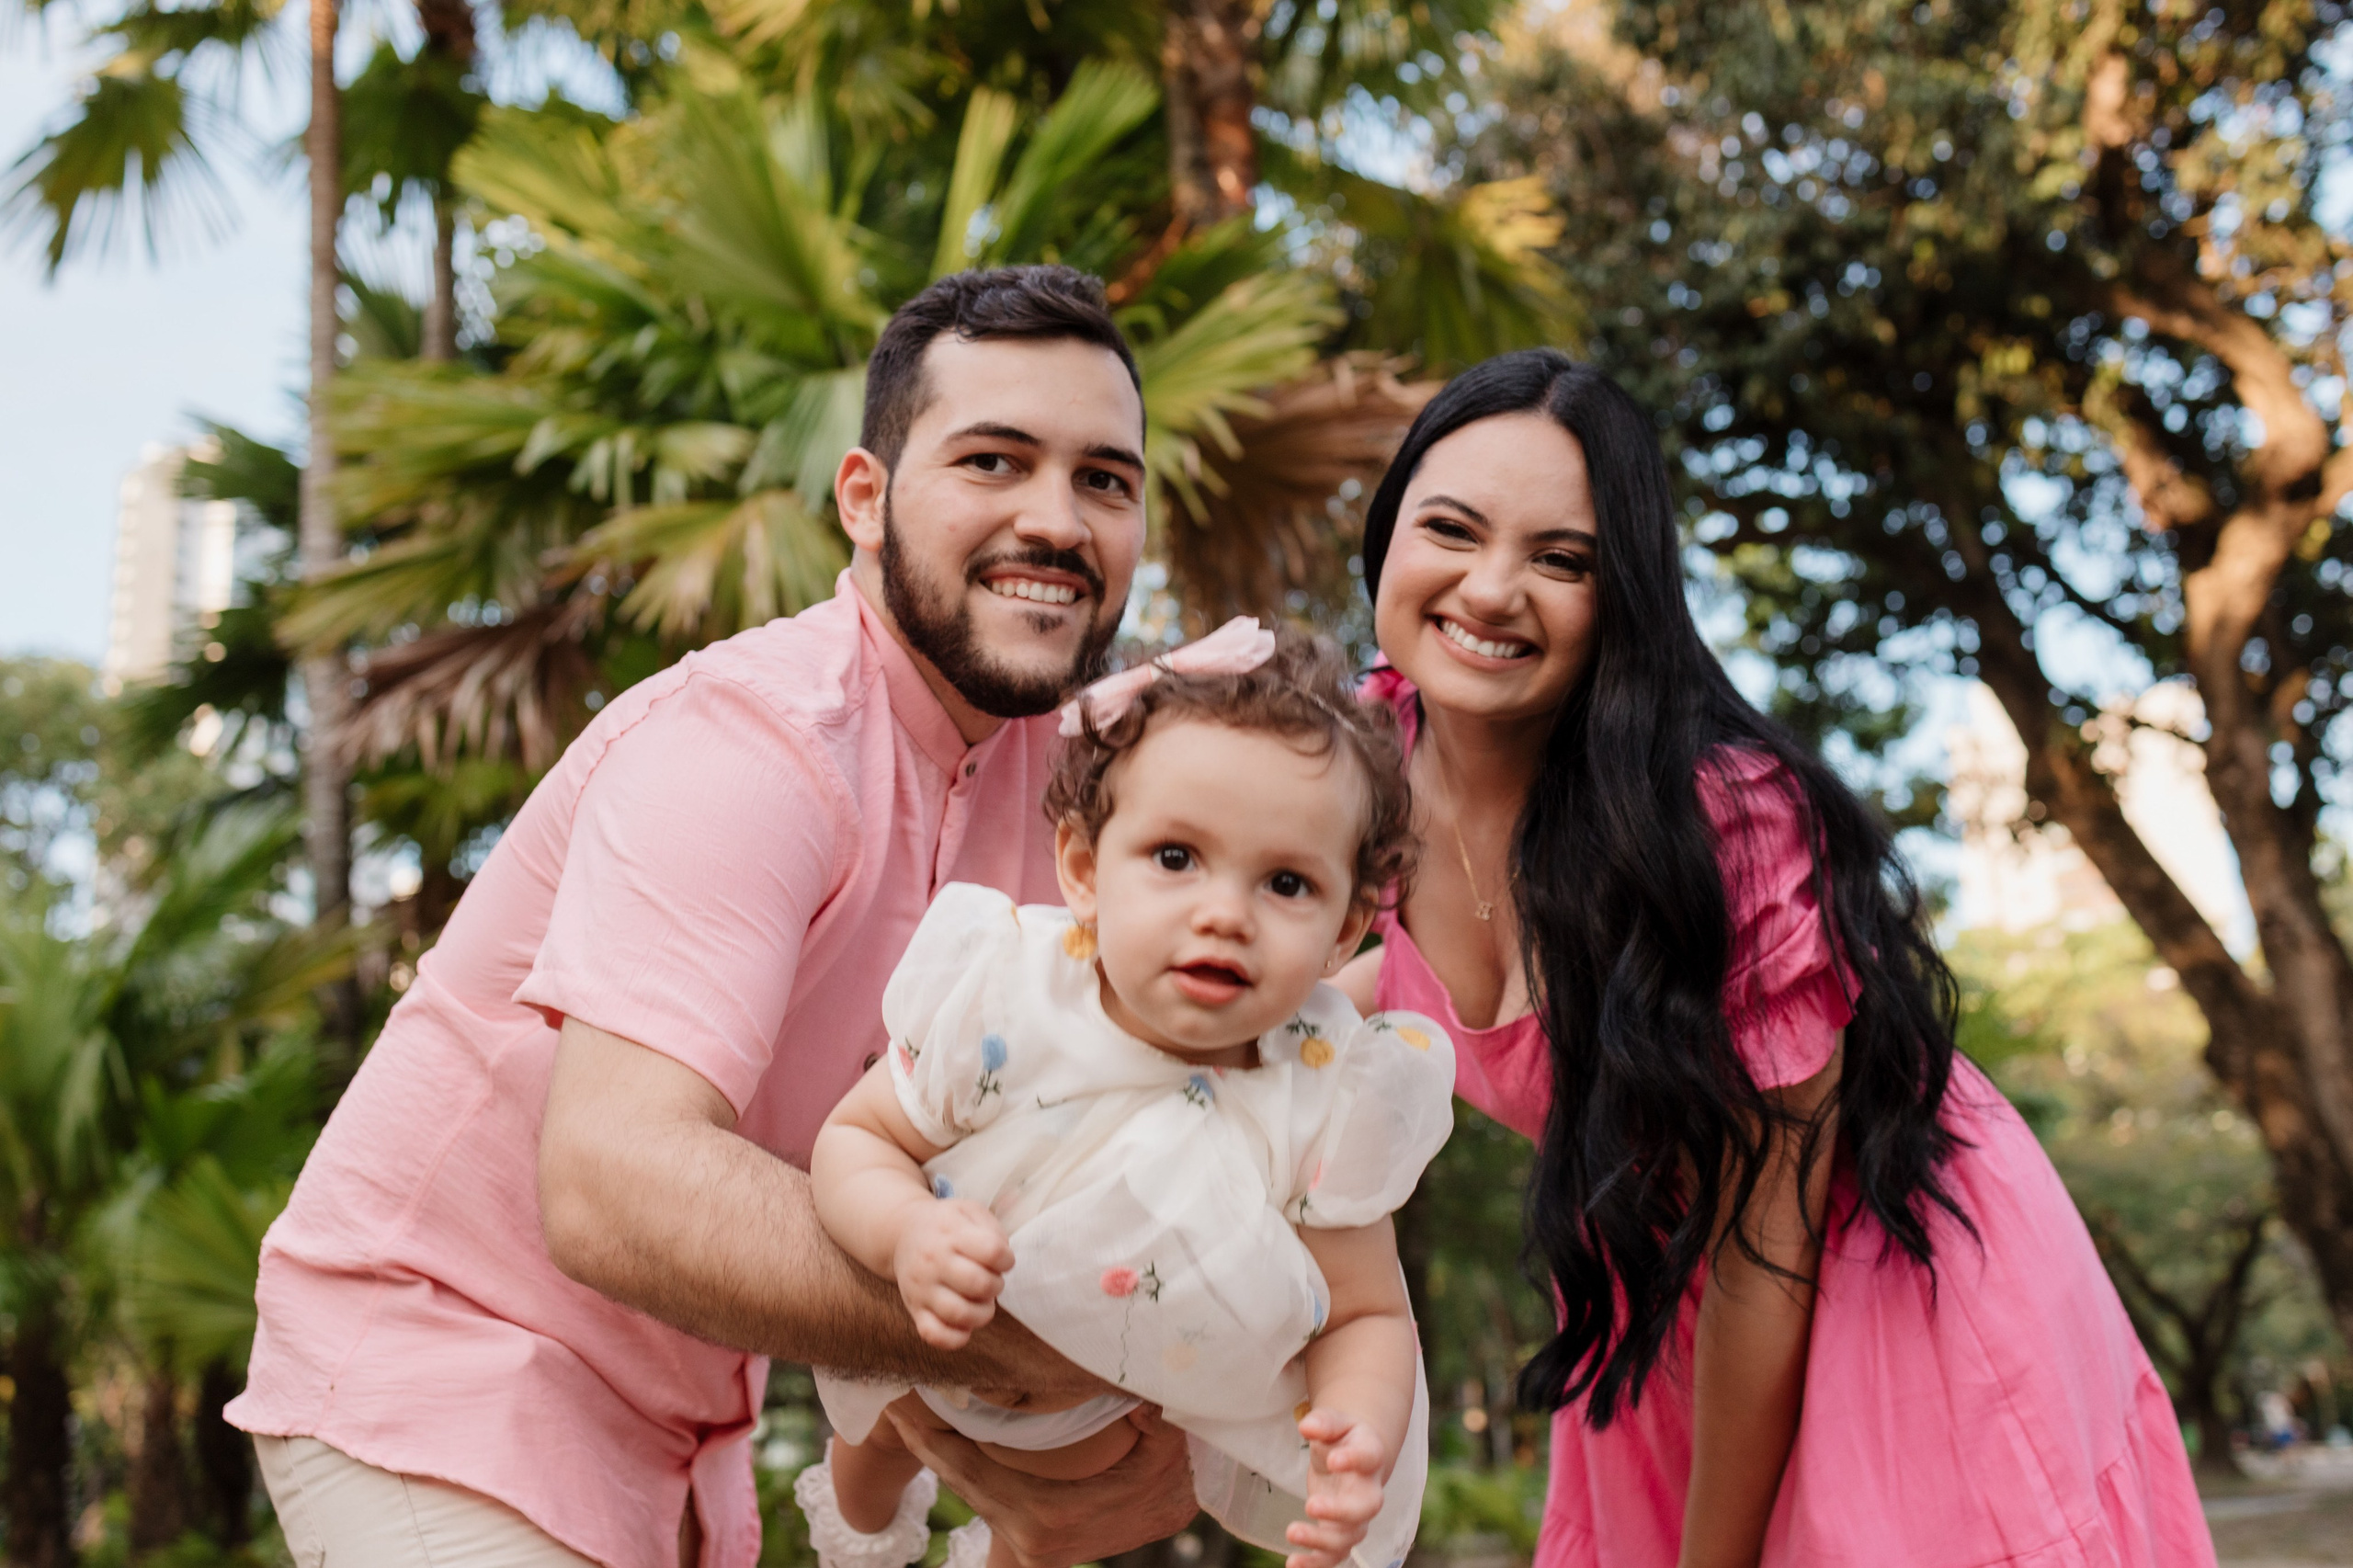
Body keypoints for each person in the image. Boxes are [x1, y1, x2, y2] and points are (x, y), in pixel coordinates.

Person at [227, 267, 1201, 1568]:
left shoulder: (1085, 793)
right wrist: (1051, 1338)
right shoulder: (750, 744)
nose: (1056, 519)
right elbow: (614, 1184)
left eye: (1104, 480)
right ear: (865, 498)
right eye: (993, 460)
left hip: (689, 1442)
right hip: (445, 1373)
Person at [1335, 349, 2215, 1568]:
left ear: (1626, 596)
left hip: (1879, 1279)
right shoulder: (1339, 777)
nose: (1492, 589)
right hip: (1645, 1298)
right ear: (1386, 538)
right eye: (1451, 528)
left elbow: (1769, 1246)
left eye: (1563, 559)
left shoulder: (1721, 822)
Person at [796, 624, 1455, 1568]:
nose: (1223, 911)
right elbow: (856, 1138)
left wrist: (1360, 1429)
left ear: (1346, 926)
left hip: (1099, 1411)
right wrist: (902, 1230)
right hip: (925, 1326)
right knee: (875, 1438)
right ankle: (858, 1533)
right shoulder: (1009, 991)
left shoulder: (1319, 1087)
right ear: (1081, 869)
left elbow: (1362, 1313)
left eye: (1284, 881)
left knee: (1068, 1506)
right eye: (1176, 857)